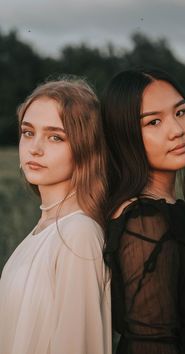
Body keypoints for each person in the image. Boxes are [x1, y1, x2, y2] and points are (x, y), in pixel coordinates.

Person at [101, 68, 185, 354]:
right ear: (124, 135)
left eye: (181, 112)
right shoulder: (144, 222)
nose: (176, 130)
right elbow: (151, 344)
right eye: (154, 122)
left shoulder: (167, 209)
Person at [0, 78, 111, 354]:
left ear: (85, 147)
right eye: (28, 132)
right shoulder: (44, 229)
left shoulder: (78, 233)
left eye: (55, 137)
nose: (35, 148)